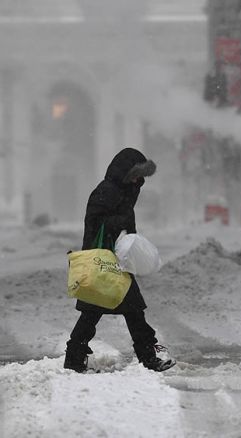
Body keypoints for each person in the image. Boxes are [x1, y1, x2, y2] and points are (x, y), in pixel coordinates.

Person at [64, 148, 176, 373]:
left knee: (126, 310)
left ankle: (76, 358)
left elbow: (123, 226)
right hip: (103, 259)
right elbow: (94, 223)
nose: (138, 179)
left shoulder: (124, 190)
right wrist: (120, 226)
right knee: (107, 311)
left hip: (117, 259)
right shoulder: (107, 191)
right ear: (124, 172)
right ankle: (146, 357)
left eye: (140, 175)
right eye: (135, 174)